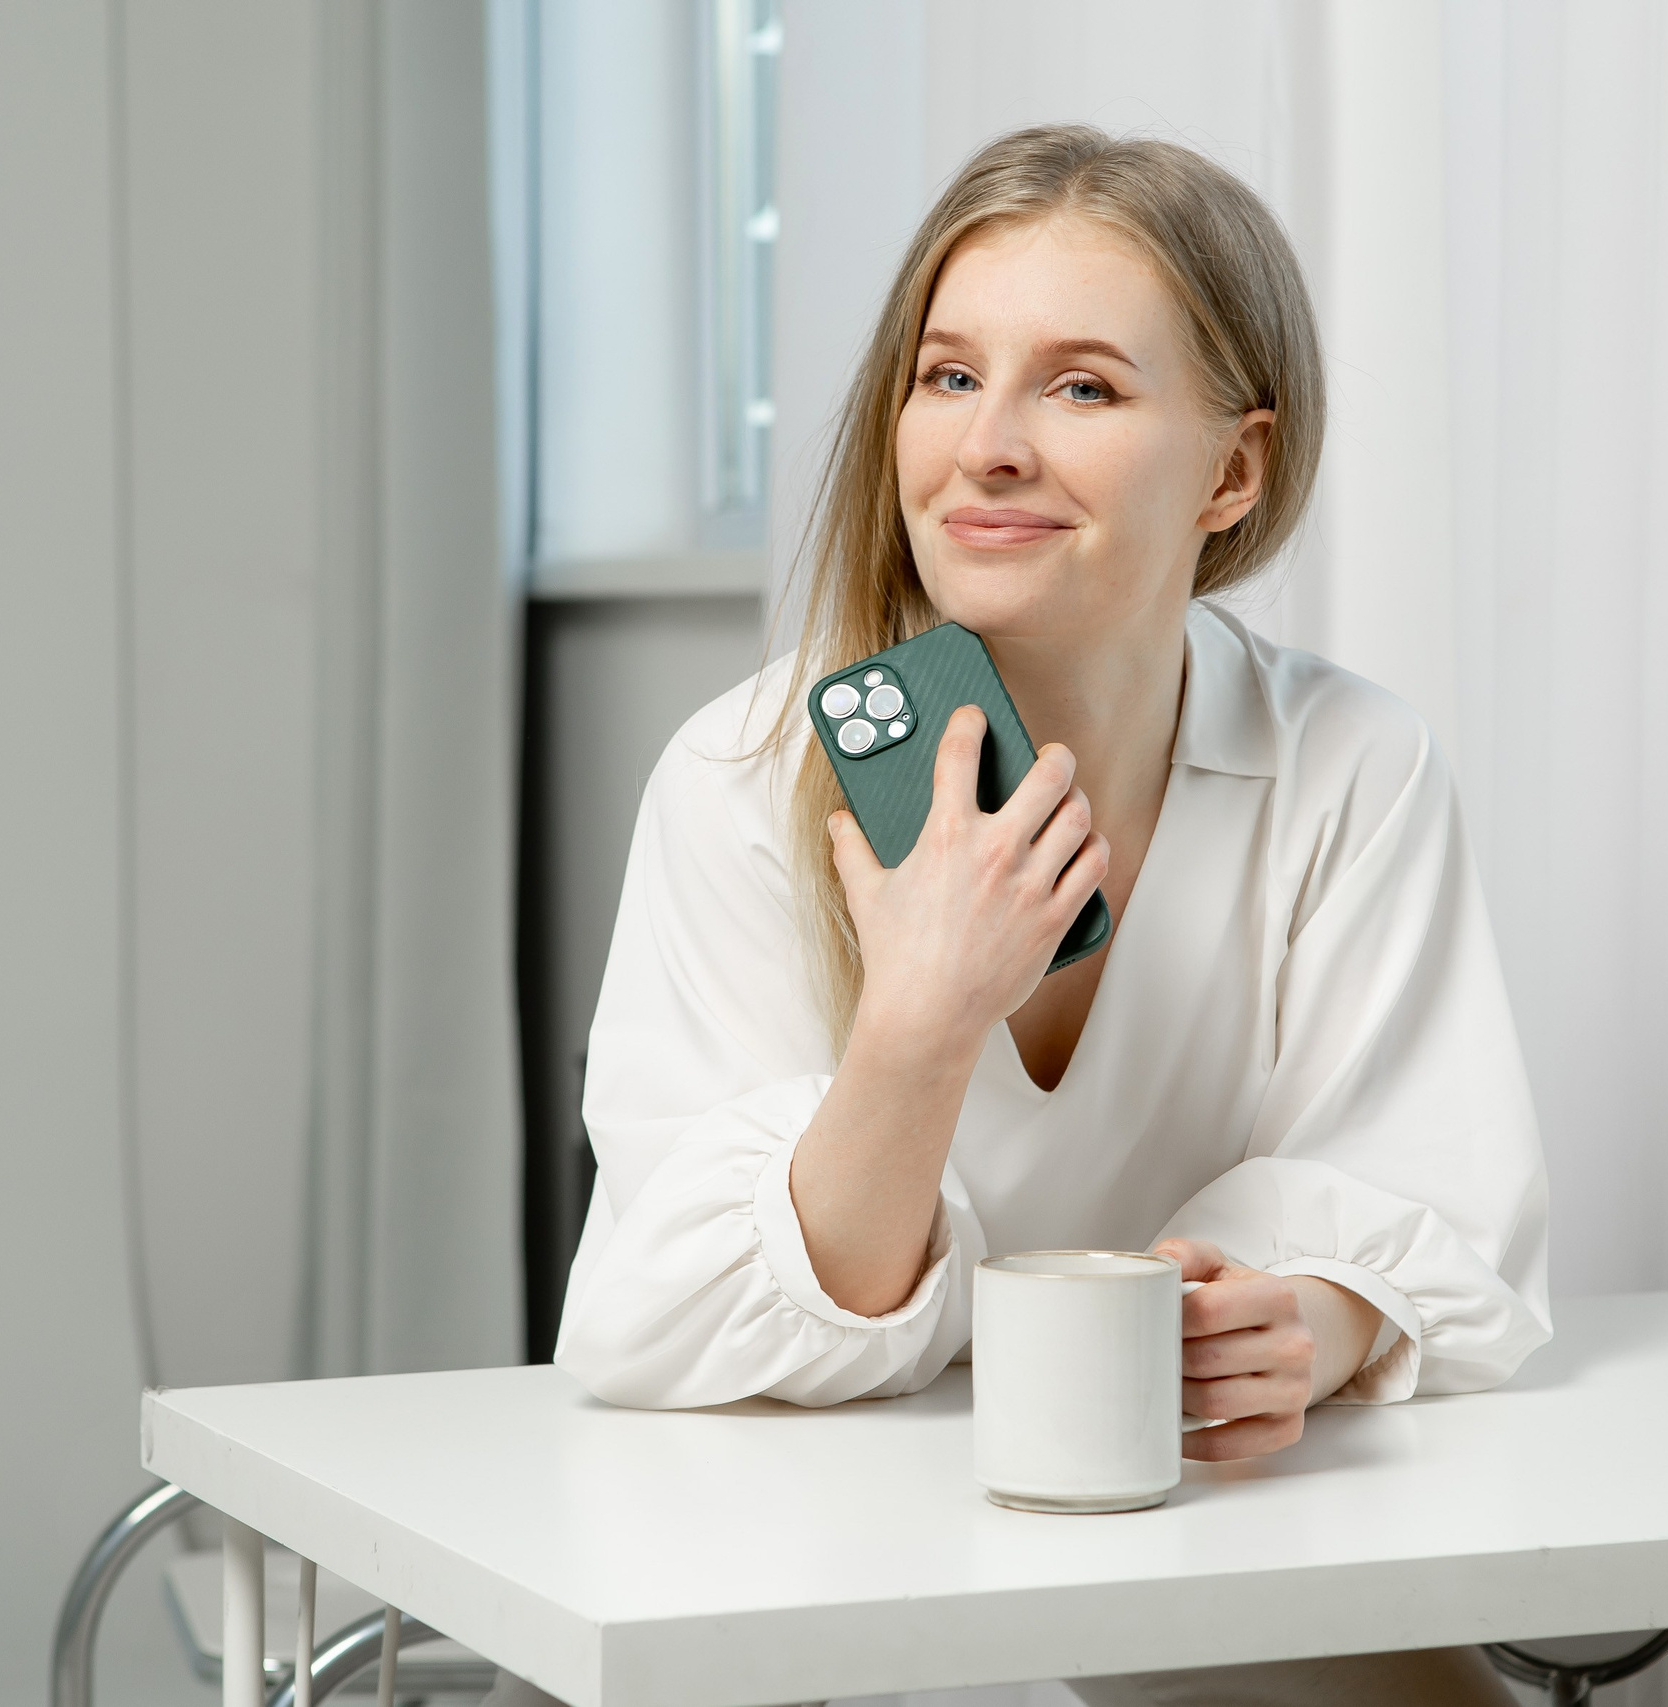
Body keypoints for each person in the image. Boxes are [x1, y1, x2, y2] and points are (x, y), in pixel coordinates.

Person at [510, 125, 1550, 1707]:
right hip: (804, 1560)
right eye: (947, 378)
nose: (987, 446)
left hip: (1206, 1540)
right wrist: (919, 1022)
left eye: (1081, 387)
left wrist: (1320, 1325)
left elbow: (1439, 1200)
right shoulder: (741, 778)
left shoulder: (1351, 765)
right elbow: (660, 1329)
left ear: (1233, 468)